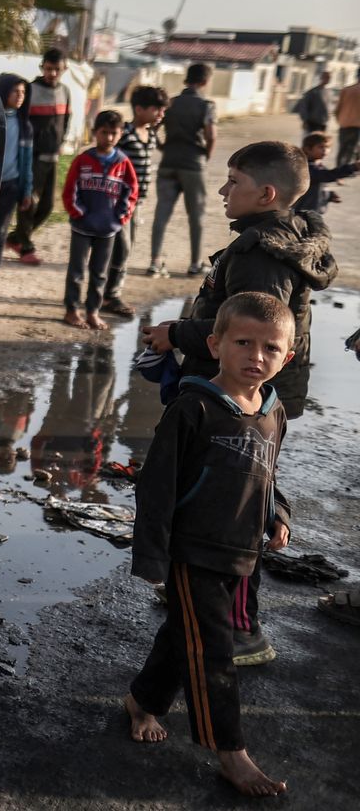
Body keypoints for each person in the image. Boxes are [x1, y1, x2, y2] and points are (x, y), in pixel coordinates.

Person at [144, 141, 334, 664]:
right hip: (248, 392)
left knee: (236, 505)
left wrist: (176, 332)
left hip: (240, 395)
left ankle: (239, 626)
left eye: (234, 182)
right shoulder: (287, 235)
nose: (224, 191)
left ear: (266, 193)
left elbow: (252, 326)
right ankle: (200, 593)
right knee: (225, 492)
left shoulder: (258, 251)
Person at [124, 292, 294, 798]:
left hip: (240, 552)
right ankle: (231, 752)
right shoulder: (193, 407)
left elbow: (266, 475)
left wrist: (276, 514)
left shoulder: (272, 411)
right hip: (191, 550)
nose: (255, 357)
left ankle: (142, 700)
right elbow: (157, 485)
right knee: (213, 651)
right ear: (216, 344)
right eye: (243, 343)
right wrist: (152, 554)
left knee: (186, 636)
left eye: (270, 348)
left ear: (287, 357)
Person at [60, 110, 137, 330]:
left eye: (114, 133)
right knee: (76, 271)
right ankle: (72, 310)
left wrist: (120, 217)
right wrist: (78, 214)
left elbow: (131, 192)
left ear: (120, 134)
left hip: (108, 230)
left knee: (100, 273)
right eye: (104, 132)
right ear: (95, 133)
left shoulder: (123, 163)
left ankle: (93, 311)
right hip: (82, 227)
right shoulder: (83, 160)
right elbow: (69, 191)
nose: (109, 138)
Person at [100, 84, 167, 317]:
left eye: (162, 110)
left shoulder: (149, 133)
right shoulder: (124, 134)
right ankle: (110, 296)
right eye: (156, 109)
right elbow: (109, 160)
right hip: (119, 200)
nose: (161, 114)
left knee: (126, 248)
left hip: (137, 203)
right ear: (139, 109)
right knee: (122, 248)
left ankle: (108, 292)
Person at [149, 63, 218, 277]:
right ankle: (195, 263)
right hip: (193, 164)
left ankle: (154, 261)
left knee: (162, 213)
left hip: (169, 162)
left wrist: (163, 147)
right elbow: (211, 135)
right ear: (205, 81)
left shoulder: (171, 103)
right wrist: (205, 156)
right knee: (196, 216)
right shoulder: (206, 106)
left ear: (186, 80)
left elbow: (153, 128)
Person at [6, 48, 71, 265]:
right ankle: (25, 247)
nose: (52, 73)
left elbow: (66, 120)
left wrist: (61, 143)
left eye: (57, 69)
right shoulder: (30, 90)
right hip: (32, 156)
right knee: (28, 202)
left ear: (65, 69)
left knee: (48, 206)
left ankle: (15, 238)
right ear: (42, 67)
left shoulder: (65, 91)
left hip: (53, 157)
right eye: (49, 68)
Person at [0, 74, 34, 299]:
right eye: (15, 92)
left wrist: (26, 191)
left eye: (23, 93)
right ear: (3, 92)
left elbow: (27, 161)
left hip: (10, 187)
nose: (20, 97)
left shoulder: (25, 126)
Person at [296, 131, 358, 214]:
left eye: (327, 147)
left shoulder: (318, 165)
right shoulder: (306, 167)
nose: (325, 150)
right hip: (303, 212)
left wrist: (328, 195)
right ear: (308, 149)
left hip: (313, 211)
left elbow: (318, 185)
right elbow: (326, 175)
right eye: (320, 147)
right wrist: (353, 167)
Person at [291, 72, 331, 141]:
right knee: (310, 143)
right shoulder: (313, 92)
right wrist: (305, 121)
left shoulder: (327, 92)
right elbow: (304, 107)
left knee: (319, 143)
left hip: (322, 123)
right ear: (321, 78)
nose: (328, 79)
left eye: (329, 78)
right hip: (312, 123)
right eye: (326, 77)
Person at [335, 75, 360, 167]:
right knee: (351, 149)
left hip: (344, 124)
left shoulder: (346, 90)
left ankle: (338, 170)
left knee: (342, 149)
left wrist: (340, 120)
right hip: (357, 126)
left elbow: (337, 109)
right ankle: (345, 169)